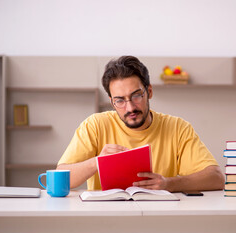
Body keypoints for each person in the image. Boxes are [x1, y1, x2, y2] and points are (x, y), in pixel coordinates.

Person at [57, 56, 224, 192]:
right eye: (120, 100)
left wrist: (168, 184)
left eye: (136, 96)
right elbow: (60, 178)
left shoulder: (178, 128)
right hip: (106, 221)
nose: (130, 108)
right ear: (111, 101)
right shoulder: (94, 125)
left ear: (149, 91)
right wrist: (97, 162)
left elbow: (216, 178)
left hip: (160, 220)